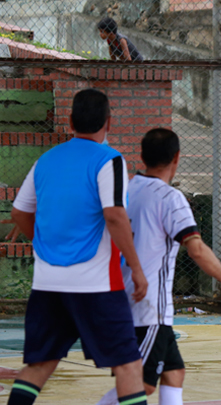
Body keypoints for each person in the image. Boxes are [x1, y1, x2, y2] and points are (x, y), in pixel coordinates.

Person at [7, 89, 149, 405]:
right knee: (127, 363)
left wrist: (43, 242)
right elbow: (114, 215)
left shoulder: (45, 160)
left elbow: (19, 212)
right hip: (96, 284)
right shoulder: (109, 160)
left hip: (47, 283)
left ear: (70, 121)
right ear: (109, 122)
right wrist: (136, 268)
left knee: (39, 365)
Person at [96, 128, 221, 405]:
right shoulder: (170, 199)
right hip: (147, 308)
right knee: (140, 385)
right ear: (177, 157)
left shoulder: (127, 190)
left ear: (142, 157)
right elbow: (197, 250)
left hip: (126, 299)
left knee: (174, 373)